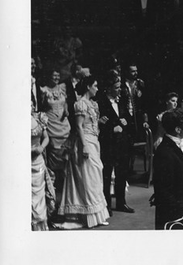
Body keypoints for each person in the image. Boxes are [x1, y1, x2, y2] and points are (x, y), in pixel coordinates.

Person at [57, 76, 110, 229]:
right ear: (88, 86)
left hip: (94, 141)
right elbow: (79, 127)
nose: (97, 89)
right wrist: (85, 145)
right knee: (89, 177)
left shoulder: (92, 104)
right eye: (95, 85)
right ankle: (88, 216)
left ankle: (97, 215)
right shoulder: (80, 103)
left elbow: (89, 124)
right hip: (84, 142)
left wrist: (99, 123)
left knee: (95, 175)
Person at [151, 109, 183, 230]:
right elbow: (163, 191)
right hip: (174, 213)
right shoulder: (164, 153)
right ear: (178, 130)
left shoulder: (181, 144)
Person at [98, 72, 135, 215]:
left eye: (120, 87)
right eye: (116, 87)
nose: (119, 90)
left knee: (122, 173)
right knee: (107, 175)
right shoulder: (101, 102)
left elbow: (129, 118)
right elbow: (99, 124)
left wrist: (126, 121)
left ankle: (121, 203)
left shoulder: (122, 100)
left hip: (122, 143)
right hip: (108, 144)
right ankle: (106, 204)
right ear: (108, 88)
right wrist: (112, 128)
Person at [40, 69, 71, 201]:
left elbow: (66, 103)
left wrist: (66, 110)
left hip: (64, 126)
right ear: (49, 76)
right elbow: (42, 107)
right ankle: (54, 196)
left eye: (58, 75)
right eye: (54, 75)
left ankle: (65, 196)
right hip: (52, 127)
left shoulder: (62, 87)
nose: (57, 77)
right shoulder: (44, 89)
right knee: (54, 162)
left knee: (65, 160)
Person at [31, 109, 55, 231]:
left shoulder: (38, 118)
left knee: (39, 194)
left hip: (38, 162)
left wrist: (41, 147)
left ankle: (41, 226)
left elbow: (46, 138)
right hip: (26, 161)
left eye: (30, 104)